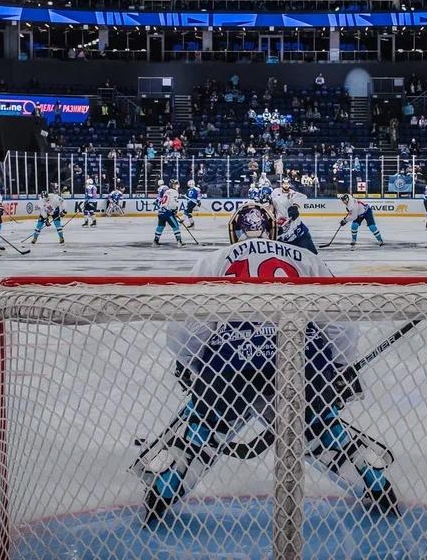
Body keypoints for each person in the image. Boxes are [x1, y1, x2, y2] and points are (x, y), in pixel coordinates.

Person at [136, 203, 399, 526]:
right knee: (320, 433)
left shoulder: (213, 260)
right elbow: (338, 321)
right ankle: (376, 487)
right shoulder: (308, 259)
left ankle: (164, 492)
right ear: (274, 230)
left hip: (228, 365)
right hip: (300, 360)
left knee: (203, 434)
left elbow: (188, 325)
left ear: (234, 231)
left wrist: (192, 366)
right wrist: (340, 367)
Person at [154, 180, 183, 247]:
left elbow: (162, 200)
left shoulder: (166, 191)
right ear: (173, 185)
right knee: (176, 226)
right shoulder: (175, 192)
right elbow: (173, 203)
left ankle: (155, 241)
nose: (177, 186)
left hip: (161, 211)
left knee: (160, 226)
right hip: (167, 212)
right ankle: (179, 242)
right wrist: (175, 210)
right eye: (176, 184)